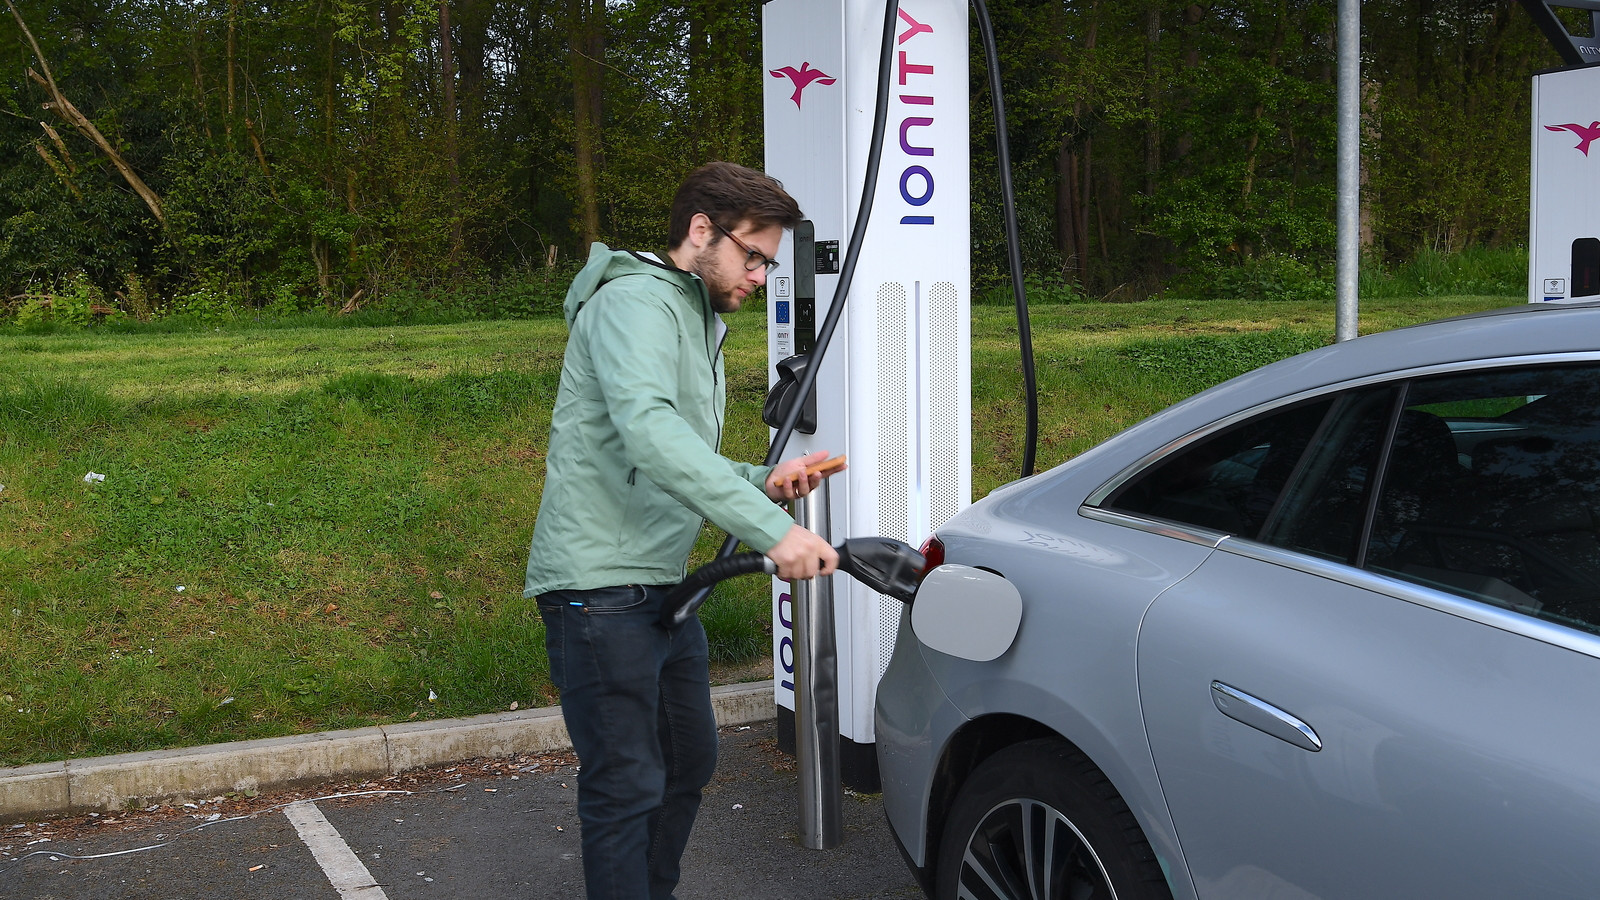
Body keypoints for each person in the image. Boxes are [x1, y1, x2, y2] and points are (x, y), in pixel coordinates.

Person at [524, 161, 842, 900]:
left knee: (687, 762)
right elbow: (650, 433)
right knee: (627, 783)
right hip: (600, 590)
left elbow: (678, 451)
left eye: (768, 262)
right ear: (702, 230)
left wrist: (759, 480)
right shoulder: (635, 302)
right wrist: (772, 531)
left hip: (660, 588)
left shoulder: (692, 312)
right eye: (753, 255)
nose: (760, 276)